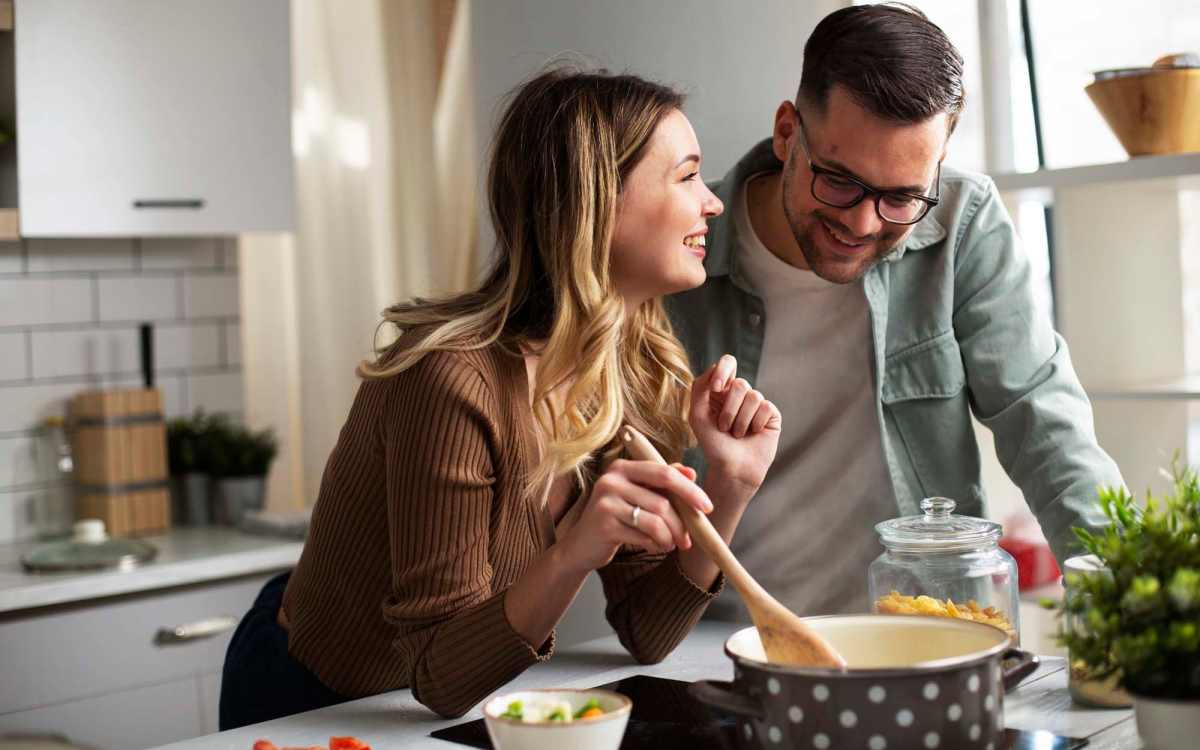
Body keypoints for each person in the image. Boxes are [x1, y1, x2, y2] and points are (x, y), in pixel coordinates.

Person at [219, 68, 782, 727]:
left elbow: (649, 633)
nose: (711, 203)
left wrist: (732, 486)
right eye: (686, 176)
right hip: (312, 705)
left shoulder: (634, 369)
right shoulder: (450, 379)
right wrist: (573, 551)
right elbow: (440, 675)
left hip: (434, 710)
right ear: (596, 201)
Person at [666, 3, 1123, 620]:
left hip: (925, 632)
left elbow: (1044, 421)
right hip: (724, 643)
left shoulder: (963, 219)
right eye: (839, 181)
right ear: (786, 133)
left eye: (902, 197)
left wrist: (1128, 603)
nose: (861, 224)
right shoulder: (680, 243)